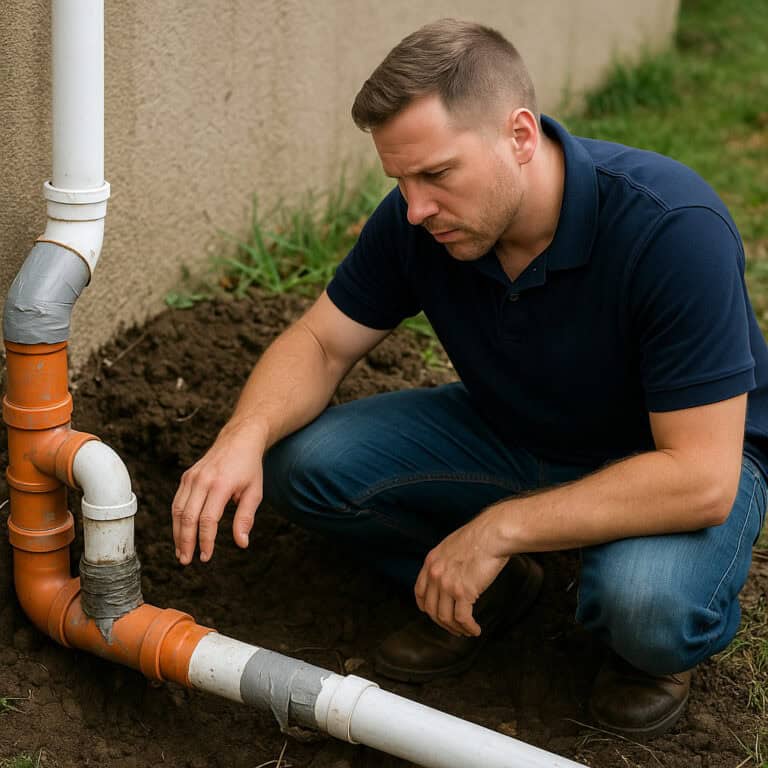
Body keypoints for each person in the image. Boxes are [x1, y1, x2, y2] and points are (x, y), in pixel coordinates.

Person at [171, 19, 768, 738]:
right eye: (400, 181)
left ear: (520, 136)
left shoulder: (671, 228)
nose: (415, 207)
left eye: (437, 174)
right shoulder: (419, 223)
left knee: (647, 607)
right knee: (303, 461)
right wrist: (243, 433)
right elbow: (321, 343)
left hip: (669, 457)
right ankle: (496, 590)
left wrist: (498, 527)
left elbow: (700, 477)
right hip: (514, 431)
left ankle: (643, 651)